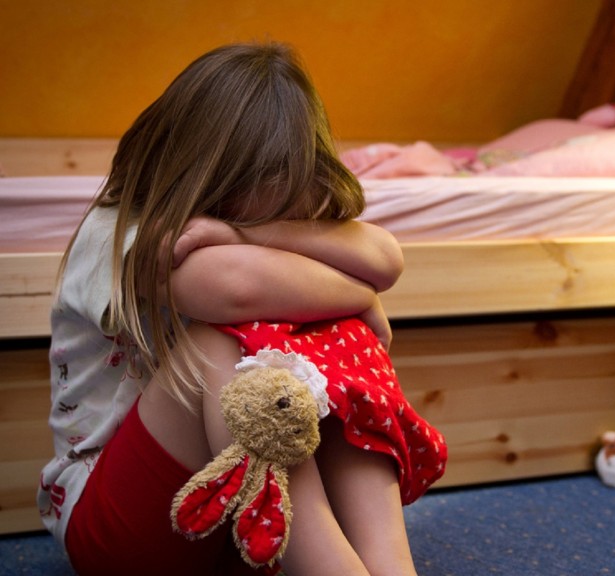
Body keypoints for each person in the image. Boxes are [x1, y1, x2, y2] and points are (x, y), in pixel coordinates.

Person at [38, 41, 445, 576]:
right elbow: (230, 290)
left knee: (331, 326)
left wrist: (244, 231)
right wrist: (361, 295)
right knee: (224, 341)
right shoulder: (118, 231)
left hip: (225, 526)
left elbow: (384, 256)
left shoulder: (249, 219)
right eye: (238, 204)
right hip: (115, 528)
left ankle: (391, 567)